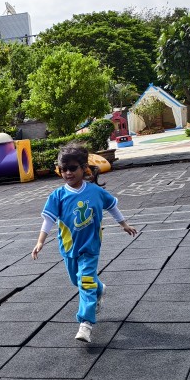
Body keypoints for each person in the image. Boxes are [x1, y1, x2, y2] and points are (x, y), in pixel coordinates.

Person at [31, 145, 138, 343]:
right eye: (63, 169)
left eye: (72, 168)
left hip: (90, 247)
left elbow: (112, 206)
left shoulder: (95, 192)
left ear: (84, 168)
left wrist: (124, 224)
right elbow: (48, 220)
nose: (68, 173)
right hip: (69, 248)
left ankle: (86, 324)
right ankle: (99, 288)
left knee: (85, 282)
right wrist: (40, 242)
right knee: (77, 281)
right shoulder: (57, 196)